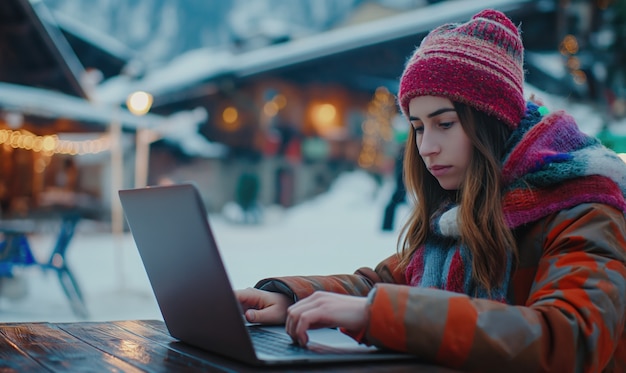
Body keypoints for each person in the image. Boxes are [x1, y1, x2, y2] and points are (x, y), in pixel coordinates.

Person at [235, 9, 626, 372]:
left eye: (444, 123)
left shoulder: (585, 210)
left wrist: (379, 314)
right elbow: (380, 284)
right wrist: (292, 297)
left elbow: (570, 339)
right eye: (419, 127)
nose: (426, 147)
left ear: (490, 124)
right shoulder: (460, 215)